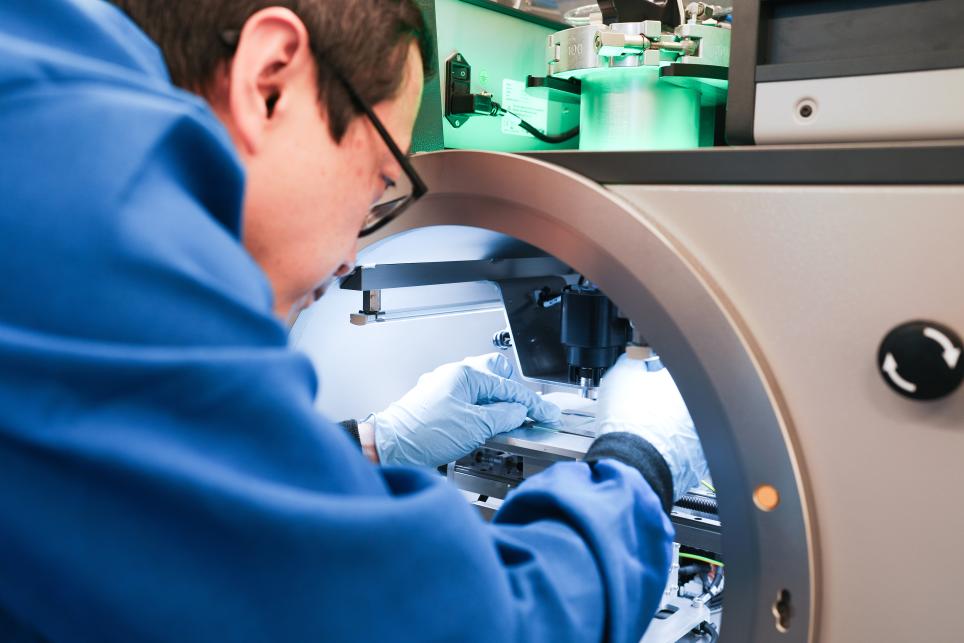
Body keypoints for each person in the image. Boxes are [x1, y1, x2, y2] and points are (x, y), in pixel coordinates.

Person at [0, 0, 709, 641]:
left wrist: (371, 443)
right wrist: (636, 467)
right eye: (379, 180)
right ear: (269, 78)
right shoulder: (92, 219)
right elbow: (464, 627)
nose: (349, 259)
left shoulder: (39, 109)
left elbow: (138, 502)